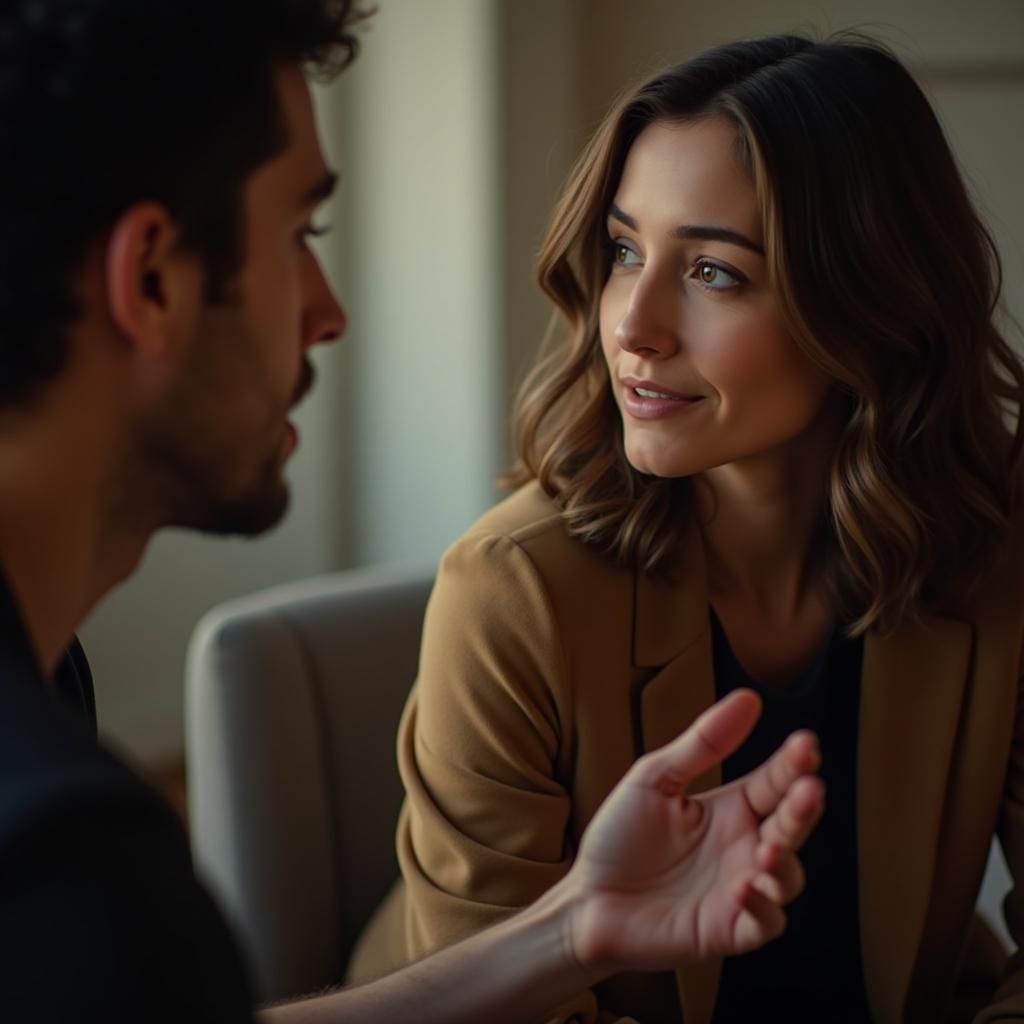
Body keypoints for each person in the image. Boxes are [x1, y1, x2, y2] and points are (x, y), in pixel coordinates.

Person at [0, 4, 826, 1023]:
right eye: (301, 234)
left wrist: (568, 928)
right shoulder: (70, 878)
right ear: (151, 276)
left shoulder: (50, 693)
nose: (329, 309)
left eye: (710, 270)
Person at [348, 30, 1024, 1024]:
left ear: (872, 305)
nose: (632, 324)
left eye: (713, 272)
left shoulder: (991, 548)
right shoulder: (508, 591)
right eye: (625, 251)